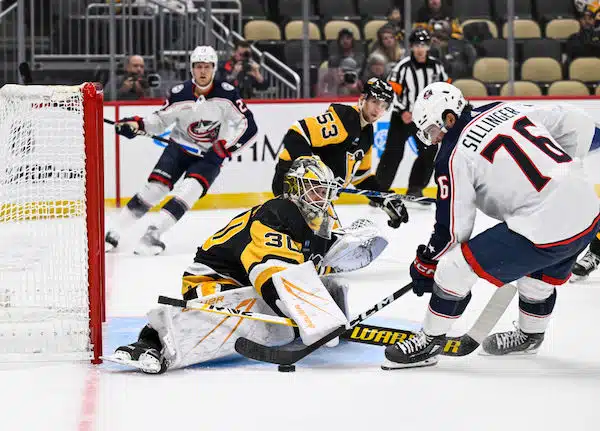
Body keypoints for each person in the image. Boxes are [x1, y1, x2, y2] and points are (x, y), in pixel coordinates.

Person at [103, 156, 392, 373]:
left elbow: (311, 266)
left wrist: (337, 252)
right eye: (315, 190)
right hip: (211, 279)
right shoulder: (278, 213)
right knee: (222, 321)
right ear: (296, 188)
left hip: (245, 280)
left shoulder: (316, 218)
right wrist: (310, 318)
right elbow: (271, 272)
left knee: (285, 315)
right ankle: (149, 341)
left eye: (325, 191)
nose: (322, 198)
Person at [382, 82, 600, 369]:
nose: (433, 140)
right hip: (588, 211)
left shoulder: (452, 154)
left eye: (433, 130)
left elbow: (453, 230)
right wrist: (565, 176)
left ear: (449, 118)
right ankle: (530, 336)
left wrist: (427, 262)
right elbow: (575, 122)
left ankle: (430, 341)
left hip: (546, 225)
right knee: (537, 276)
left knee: (453, 268)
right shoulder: (503, 108)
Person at [105, 46, 258, 255]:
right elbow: (159, 120)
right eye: (198, 66)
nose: (202, 71)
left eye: (207, 66)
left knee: (190, 190)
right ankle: (115, 231)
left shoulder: (227, 94)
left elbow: (249, 126)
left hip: (209, 157)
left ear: (214, 68)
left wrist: (225, 148)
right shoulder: (180, 93)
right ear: (191, 68)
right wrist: (136, 124)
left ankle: (153, 233)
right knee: (154, 189)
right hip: (178, 150)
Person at [272, 77, 409, 230]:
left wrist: (385, 198)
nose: (378, 109)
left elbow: (361, 177)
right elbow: (297, 133)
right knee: (322, 238)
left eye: (383, 106)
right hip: (295, 188)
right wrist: (310, 168)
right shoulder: (344, 118)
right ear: (363, 98)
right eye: (374, 102)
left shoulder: (367, 133)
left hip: (317, 196)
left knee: (331, 237)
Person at [377, 28, 449, 203]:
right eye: (417, 45)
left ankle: (416, 188)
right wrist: (402, 110)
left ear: (428, 46)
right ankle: (378, 191)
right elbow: (390, 92)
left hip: (426, 119)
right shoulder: (402, 67)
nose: (420, 49)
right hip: (403, 117)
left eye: (423, 45)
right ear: (411, 47)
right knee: (393, 153)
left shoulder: (437, 67)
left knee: (430, 152)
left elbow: (445, 90)